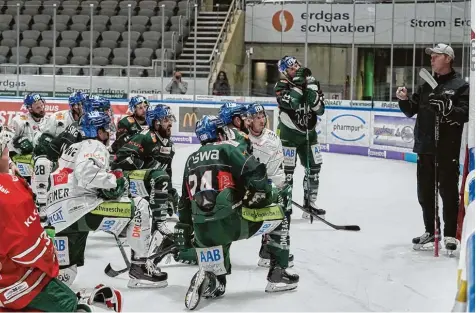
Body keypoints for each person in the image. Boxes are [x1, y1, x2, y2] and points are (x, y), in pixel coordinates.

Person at [177, 115, 299, 310]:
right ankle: (278, 271)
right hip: (231, 224)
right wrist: (262, 196)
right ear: (219, 132)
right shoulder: (228, 148)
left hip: (202, 233)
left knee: (216, 218)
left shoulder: (191, 159)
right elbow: (257, 175)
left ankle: (213, 277)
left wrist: (184, 230)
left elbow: (183, 204)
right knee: (282, 198)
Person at [0, 126, 124, 312]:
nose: (8, 155)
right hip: (13, 286)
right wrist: (112, 183)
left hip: (55, 207)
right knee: (74, 306)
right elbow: (33, 252)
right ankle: (140, 265)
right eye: (4, 151)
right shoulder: (12, 194)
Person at [45, 111, 168, 289]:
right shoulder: (94, 145)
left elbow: (69, 177)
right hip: (80, 210)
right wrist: (113, 182)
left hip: (57, 215)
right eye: (106, 129)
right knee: (140, 206)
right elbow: (86, 173)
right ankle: (140, 268)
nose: (108, 134)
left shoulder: (71, 148)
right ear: (98, 131)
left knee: (65, 274)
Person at [396, 43, 469, 252]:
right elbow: (411, 110)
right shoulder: (426, 85)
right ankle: (431, 230)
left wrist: (448, 108)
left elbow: (464, 114)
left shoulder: (460, 86)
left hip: (446, 148)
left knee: (447, 192)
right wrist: (403, 99)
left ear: (447, 58)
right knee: (425, 193)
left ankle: (449, 235)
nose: (431, 59)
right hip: (425, 146)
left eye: (435, 56)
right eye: (431, 56)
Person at [112, 104, 186, 262]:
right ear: (156, 122)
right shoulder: (145, 136)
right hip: (128, 179)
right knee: (158, 178)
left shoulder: (169, 145)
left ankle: (152, 247)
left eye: (169, 120)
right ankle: (160, 224)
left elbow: (167, 172)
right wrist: (146, 166)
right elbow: (119, 159)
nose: (170, 124)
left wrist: (170, 191)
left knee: (165, 192)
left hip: (152, 181)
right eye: (166, 120)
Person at [275, 56, 326, 219]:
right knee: (287, 172)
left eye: (297, 65)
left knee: (315, 168)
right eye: (291, 68)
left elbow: (320, 109)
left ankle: (310, 203)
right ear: (284, 72)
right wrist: (298, 86)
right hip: (288, 135)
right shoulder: (281, 85)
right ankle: (285, 203)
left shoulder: (313, 83)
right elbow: (292, 103)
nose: (296, 69)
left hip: (309, 134)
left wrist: (311, 90)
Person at [246, 103, 294, 268]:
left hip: (269, 185)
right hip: (249, 188)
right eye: (257, 117)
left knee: (282, 211)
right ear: (249, 120)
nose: (262, 120)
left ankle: (271, 251)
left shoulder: (273, 138)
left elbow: (277, 171)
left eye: (263, 116)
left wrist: (279, 187)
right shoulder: (243, 138)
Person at [32, 91, 87, 210]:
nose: (79, 107)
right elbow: (45, 136)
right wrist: (46, 145)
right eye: (77, 105)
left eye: (81, 104)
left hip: (78, 158)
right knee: (42, 163)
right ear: (72, 106)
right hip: (57, 155)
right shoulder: (57, 117)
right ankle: (42, 202)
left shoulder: (89, 119)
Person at [8, 93, 48, 184]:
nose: (41, 109)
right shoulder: (18, 121)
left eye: (42, 105)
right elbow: (4, 145)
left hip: (39, 166)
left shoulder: (48, 122)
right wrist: (10, 164)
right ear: (29, 108)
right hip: (20, 164)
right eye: (38, 108)